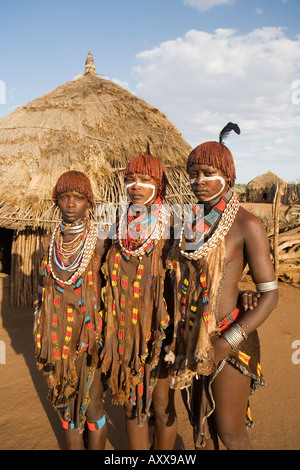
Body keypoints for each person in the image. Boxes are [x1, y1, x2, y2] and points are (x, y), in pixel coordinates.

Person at [167, 123, 278, 450]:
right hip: (191, 337)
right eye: (192, 173)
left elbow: (270, 295)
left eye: (206, 172)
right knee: (203, 426)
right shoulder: (189, 222)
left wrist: (224, 344)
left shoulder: (247, 224)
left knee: (230, 433)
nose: (197, 181)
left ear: (228, 175)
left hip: (229, 339)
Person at [99, 155, 177, 450]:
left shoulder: (174, 226)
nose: (135, 186)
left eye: (145, 180)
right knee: (131, 402)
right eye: (130, 180)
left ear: (159, 184)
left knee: (161, 405)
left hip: (161, 334)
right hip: (125, 334)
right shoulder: (118, 226)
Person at [33, 170, 109, 450]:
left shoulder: (101, 241)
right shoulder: (49, 241)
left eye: (77, 198)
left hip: (88, 339)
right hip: (56, 339)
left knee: (93, 405)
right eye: (64, 197)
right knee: (65, 405)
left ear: (88, 202)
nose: (70, 204)